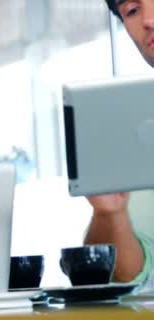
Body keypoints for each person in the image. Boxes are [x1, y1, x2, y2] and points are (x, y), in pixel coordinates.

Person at [84, 0, 154, 286]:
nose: (149, 20)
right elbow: (126, 275)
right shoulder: (138, 128)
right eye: (133, 11)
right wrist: (110, 213)